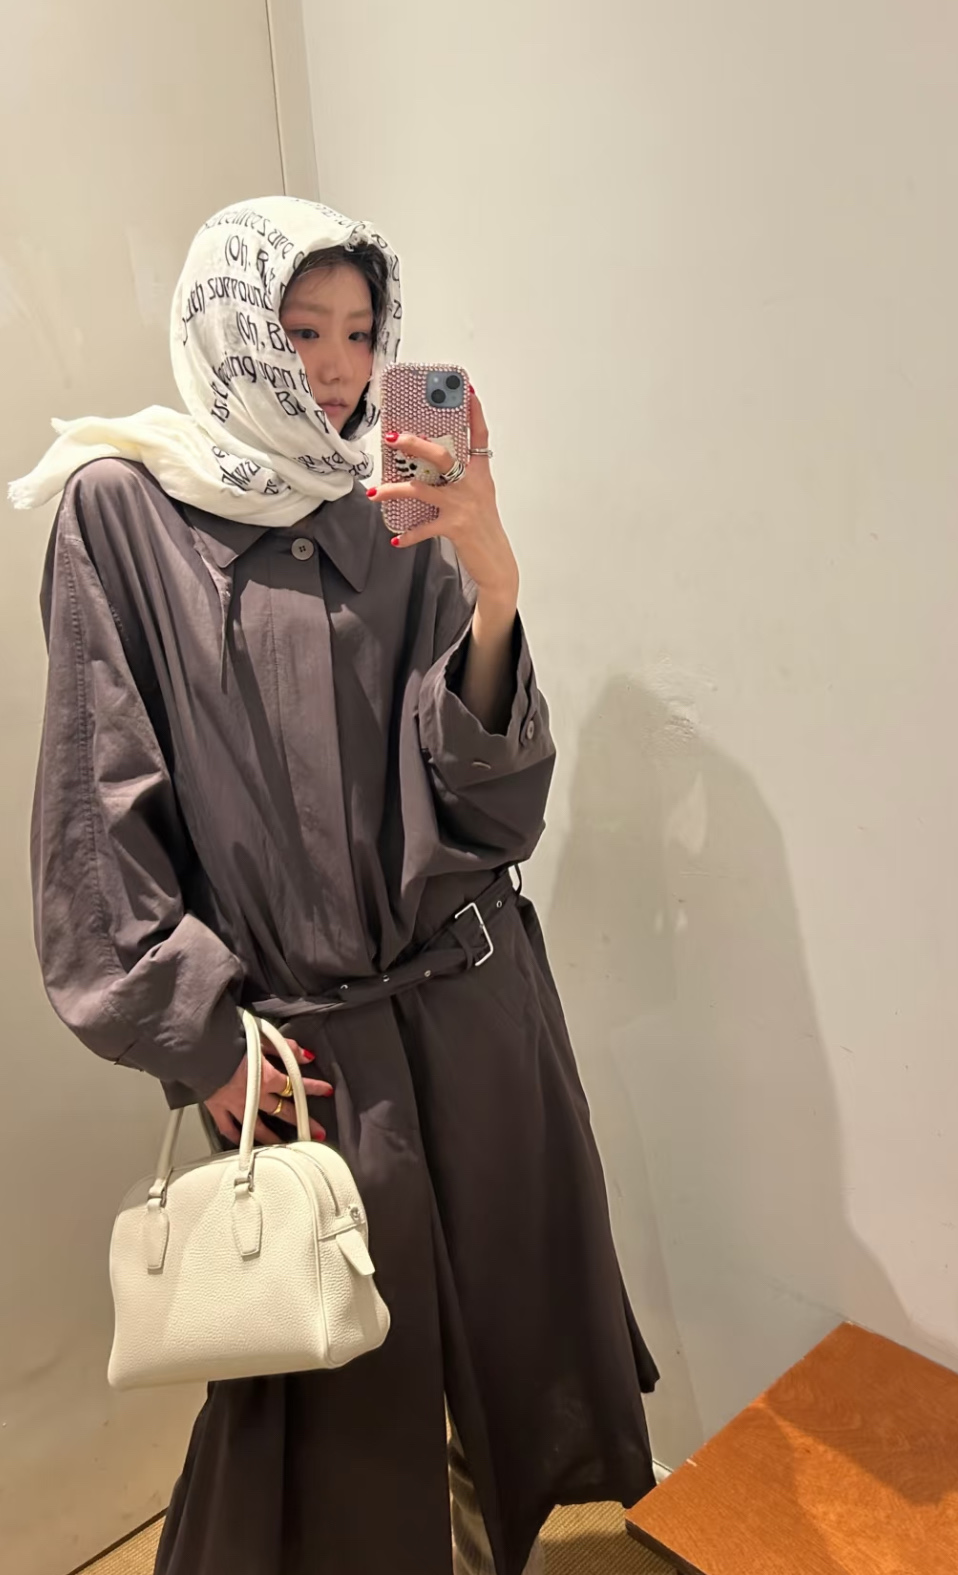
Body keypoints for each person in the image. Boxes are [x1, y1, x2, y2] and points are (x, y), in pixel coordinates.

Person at [12, 195, 657, 1575]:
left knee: (502, 1346)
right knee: (324, 1403)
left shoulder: (387, 508)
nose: (337, 371)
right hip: (302, 1053)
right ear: (230, 328)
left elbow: (486, 809)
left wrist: (494, 587)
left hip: (478, 1011)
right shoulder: (120, 513)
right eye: (301, 331)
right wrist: (198, 1041)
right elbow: (94, 808)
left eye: (362, 335)